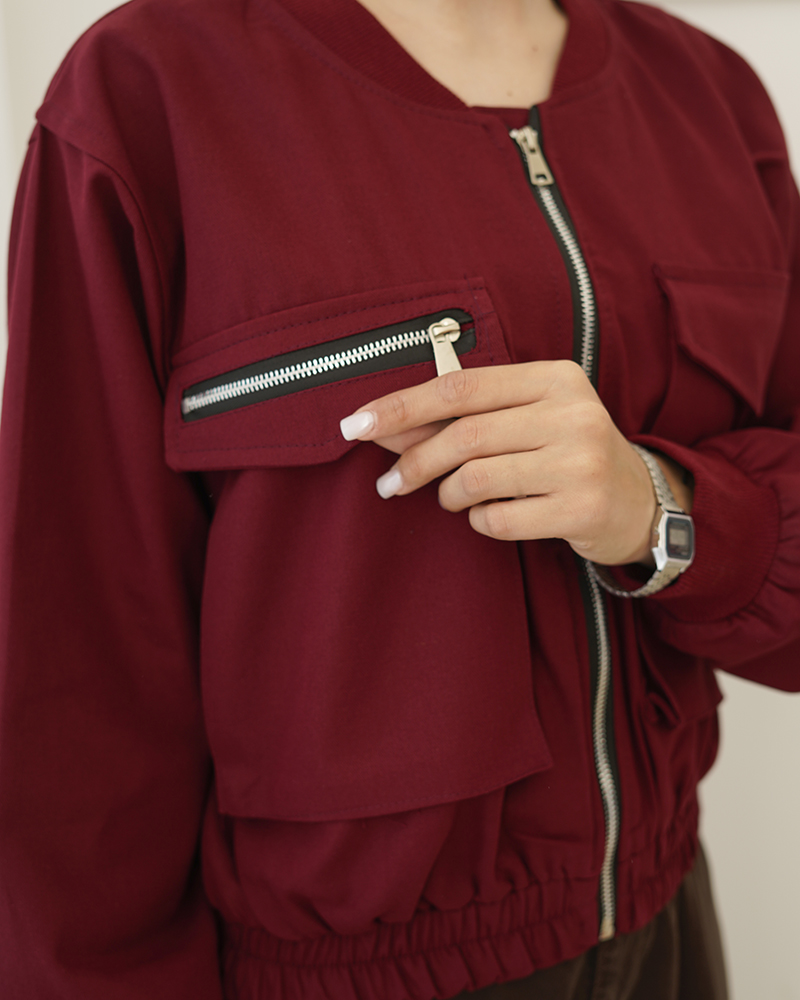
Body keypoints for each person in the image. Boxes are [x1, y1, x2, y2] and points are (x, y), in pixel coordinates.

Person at [1, 0, 799, 997]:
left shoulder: (707, 95)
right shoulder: (149, 88)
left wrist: (659, 506)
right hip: (341, 971)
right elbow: (80, 661)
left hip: (668, 928)